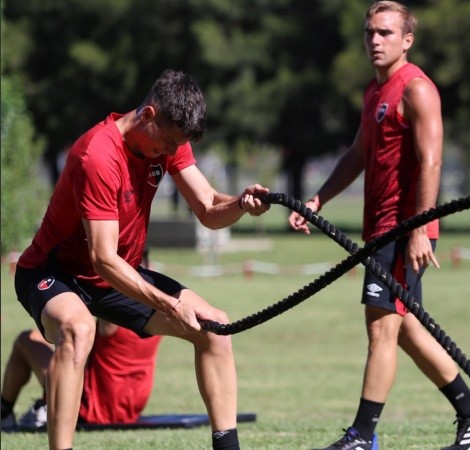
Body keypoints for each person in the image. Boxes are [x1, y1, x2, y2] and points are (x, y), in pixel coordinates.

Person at [13, 68, 270, 450]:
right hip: (53, 273)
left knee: (216, 328)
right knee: (78, 329)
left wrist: (241, 205)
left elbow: (207, 209)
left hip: (116, 275)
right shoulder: (97, 156)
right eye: (166, 142)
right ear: (148, 114)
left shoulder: (170, 138)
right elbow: (103, 258)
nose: (169, 152)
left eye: (175, 146)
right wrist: (169, 304)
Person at [288, 3, 470, 449]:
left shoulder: (417, 89)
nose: (374, 40)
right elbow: (358, 155)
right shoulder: (374, 91)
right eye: (370, 32)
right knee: (402, 327)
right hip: (381, 230)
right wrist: (317, 199)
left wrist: (418, 229)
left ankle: (362, 436)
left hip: (404, 228)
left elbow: (431, 162)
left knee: (381, 326)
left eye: (385, 32)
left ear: (407, 40)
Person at [0, 319, 162, 431]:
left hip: (91, 406)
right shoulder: (155, 310)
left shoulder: (115, 312)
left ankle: (4, 412)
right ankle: (42, 405)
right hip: (131, 407)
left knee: (26, 339)